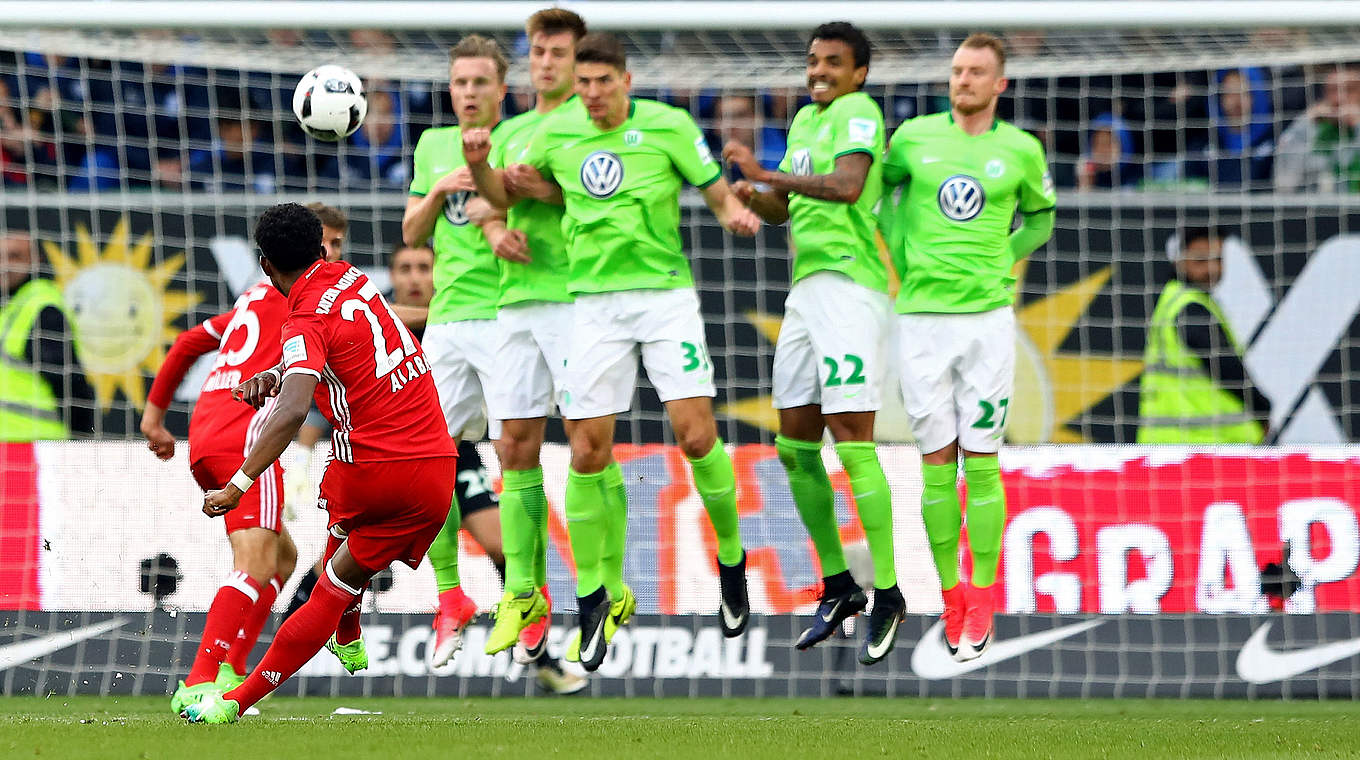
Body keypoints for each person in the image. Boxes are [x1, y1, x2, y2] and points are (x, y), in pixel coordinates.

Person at [467, 32, 760, 671]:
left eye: (603, 82)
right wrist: (494, 175)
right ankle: (593, 598)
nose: (593, 94)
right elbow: (509, 199)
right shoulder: (554, 132)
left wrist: (734, 212)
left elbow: (714, 191)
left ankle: (732, 561)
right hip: (592, 306)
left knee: (695, 436)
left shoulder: (669, 126)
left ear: (625, 80)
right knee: (586, 448)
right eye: (586, 84)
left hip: (664, 300)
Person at [183, 202, 456, 723]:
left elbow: (291, 411)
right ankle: (348, 633)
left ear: (265, 265)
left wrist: (239, 485)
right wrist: (278, 372)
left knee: (328, 581)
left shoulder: (301, 320)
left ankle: (233, 703)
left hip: (373, 470)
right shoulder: (351, 277)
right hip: (435, 466)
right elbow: (346, 344)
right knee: (346, 558)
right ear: (322, 247)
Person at [722, 22, 901, 665]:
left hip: (852, 288)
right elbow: (788, 209)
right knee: (794, 446)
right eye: (813, 62)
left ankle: (888, 590)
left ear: (859, 74)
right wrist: (757, 195)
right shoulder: (802, 123)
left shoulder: (859, 113)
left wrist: (769, 173)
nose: (819, 71)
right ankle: (838, 584)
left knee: (853, 440)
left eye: (833, 63)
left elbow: (849, 186)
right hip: (805, 291)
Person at [880, 33, 1056, 663]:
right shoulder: (913, 138)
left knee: (981, 461)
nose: (964, 80)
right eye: (957, 70)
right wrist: (901, 253)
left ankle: (982, 595)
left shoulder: (1020, 150)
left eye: (977, 72)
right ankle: (949, 592)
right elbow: (881, 197)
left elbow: (1041, 216)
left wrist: (1003, 257)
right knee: (934, 464)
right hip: (923, 319)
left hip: (985, 320)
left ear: (999, 84)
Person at [457, 7, 586, 663]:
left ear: (577, 59)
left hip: (573, 298)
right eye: (537, 50)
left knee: (589, 444)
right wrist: (483, 173)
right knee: (513, 447)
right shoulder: (510, 130)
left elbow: (601, 201)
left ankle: (598, 588)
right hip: (514, 305)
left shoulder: (593, 126)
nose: (545, 61)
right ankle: (524, 593)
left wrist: (553, 193)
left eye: (557, 52)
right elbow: (493, 198)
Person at [141, 252, 300, 714]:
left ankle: (232, 666)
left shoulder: (253, 299)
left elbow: (191, 340)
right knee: (253, 564)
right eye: (327, 243)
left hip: (206, 436)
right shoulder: (306, 297)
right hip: (248, 439)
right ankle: (200, 680)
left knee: (282, 558)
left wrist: (154, 418)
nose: (332, 254)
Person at [401, 34, 512, 670]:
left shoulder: (523, 137)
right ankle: (450, 597)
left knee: (516, 459)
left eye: (479, 82)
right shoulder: (430, 144)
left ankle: (528, 593)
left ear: (501, 89)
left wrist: (489, 180)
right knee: (430, 459)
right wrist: (442, 187)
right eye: (459, 82)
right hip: (447, 324)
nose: (468, 92)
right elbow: (412, 231)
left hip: (509, 320)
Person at [1138, 227, 1271, 443]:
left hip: (1175, 443)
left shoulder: (1176, 300)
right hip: (1197, 445)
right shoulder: (1189, 306)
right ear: (1179, 261)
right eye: (1200, 260)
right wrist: (1262, 407)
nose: (1212, 268)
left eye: (1218, 259)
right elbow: (1222, 364)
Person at [0, 229, 95, 439]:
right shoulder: (12, 306)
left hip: (31, 443)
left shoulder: (42, 307)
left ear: (37, 260)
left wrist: (80, 443)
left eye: (14, 256)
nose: (4, 265)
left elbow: (70, 382)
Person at [1274, 66, 1360, 192]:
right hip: (1320, 209)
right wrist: (1305, 122)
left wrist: (1357, 124)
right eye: (1332, 90)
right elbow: (1284, 184)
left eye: (1348, 90)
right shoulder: (1310, 128)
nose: (1338, 99)